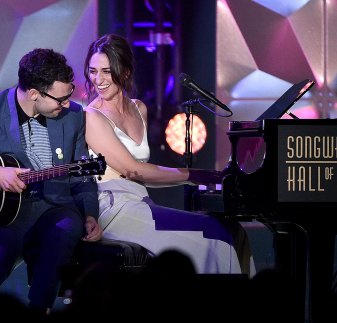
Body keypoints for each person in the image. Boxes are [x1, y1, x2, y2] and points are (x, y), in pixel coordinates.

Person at [0, 48, 102, 313]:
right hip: (7, 215)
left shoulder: (73, 117)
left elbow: (82, 176)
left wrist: (91, 215)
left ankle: (40, 308)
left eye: (69, 95)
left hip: (55, 208)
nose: (67, 104)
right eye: (60, 99)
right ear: (35, 93)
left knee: (67, 227)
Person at [83, 33, 255, 276]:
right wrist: (195, 174)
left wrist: (196, 177)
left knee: (234, 233)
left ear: (125, 72)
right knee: (215, 238)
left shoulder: (138, 107)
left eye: (106, 71)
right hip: (114, 209)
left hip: (141, 202)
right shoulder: (92, 116)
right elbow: (134, 170)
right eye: (92, 71)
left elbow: (141, 177)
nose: (98, 79)